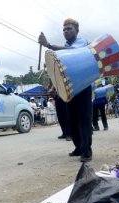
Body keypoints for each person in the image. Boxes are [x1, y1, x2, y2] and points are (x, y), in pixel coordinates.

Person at [39, 18, 92, 162]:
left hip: (83, 87)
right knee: (72, 120)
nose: (66, 31)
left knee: (84, 120)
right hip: (70, 89)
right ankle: (78, 147)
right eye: (64, 29)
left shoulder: (82, 42)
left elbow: (74, 52)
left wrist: (48, 45)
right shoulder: (65, 46)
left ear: (77, 30)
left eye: (69, 28)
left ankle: (87, 150)